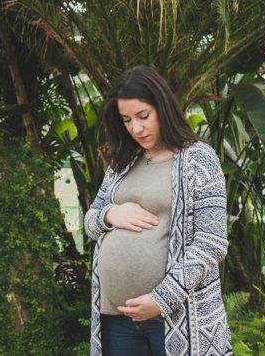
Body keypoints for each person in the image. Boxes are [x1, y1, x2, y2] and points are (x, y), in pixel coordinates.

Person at [84, 66, 232, 356]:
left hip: (178, 317)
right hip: (117, 319)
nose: (136, 128)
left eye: (143, 116)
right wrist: (109, 215)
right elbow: (90, 221)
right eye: (126, 120)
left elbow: (211, 244)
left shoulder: (198, 159)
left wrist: (162, 299)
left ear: (162, 108)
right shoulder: (122, 162)